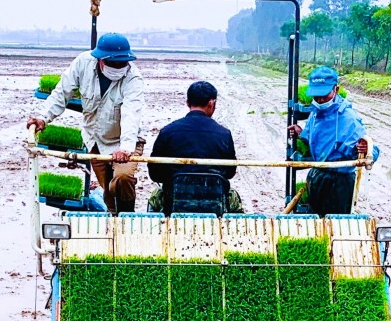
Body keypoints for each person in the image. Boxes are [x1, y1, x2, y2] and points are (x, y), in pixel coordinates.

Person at [27, 33, 144, 214]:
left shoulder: (133, 78)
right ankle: (113, 218)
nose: (119, 68)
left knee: (123, 177)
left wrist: (126, 149)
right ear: (101, 61)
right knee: (109, 189)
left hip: (123, 140)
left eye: (123, 63)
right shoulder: (83, 63)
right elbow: (62, 92)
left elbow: (131, 114)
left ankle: (127, 218)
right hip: (94, 139)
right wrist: (43, 117)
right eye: (114, 64)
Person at [287, 66, 373, 217]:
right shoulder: (316, 112)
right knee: (315, 220)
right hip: (318, 175)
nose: (319, 100)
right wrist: (301, 133)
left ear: (336, 89)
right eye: (316, 96)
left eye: (324, 95)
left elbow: (370, 149)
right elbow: (317, 138)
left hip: (339, 183)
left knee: (336, 225)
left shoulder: (348, 118)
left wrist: (365, 149)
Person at [147, 81, 242, 214]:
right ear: (212, 103)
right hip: (215, 201)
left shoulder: (168, 131)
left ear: (187, 102)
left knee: (155, 196)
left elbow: (155, 173)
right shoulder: (224, 134)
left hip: (173, 201)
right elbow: (230, 172)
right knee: (233, 197)